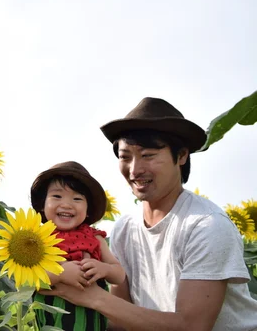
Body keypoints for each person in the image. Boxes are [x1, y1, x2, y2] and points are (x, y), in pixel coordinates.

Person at [39, 97, 257, 331]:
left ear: (181, 155)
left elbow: (192, 327)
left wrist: (92, 297)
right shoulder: (126, 227)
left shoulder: (206, 226)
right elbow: (121, 315)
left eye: (148, 155)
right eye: (125, 157)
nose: (134, 170)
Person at [30, 161, 126, 330]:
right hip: (50, 322)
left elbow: (119, 275)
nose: (67, 204)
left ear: (88, 209)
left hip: (91, 321)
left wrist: (103, 268)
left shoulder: (94, 238)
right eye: (57, 196)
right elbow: (28, 280)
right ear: (42, 205)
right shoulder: (37, 238)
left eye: (77, 199)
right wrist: (60, 274)